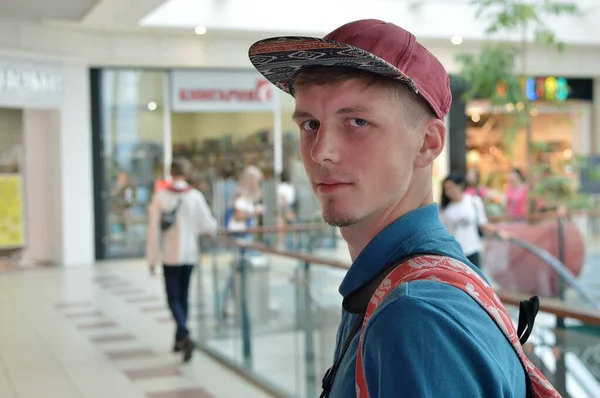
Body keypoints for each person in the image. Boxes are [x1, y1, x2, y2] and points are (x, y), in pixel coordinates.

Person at [249, 19, 534, 397]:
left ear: (427, 144)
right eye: (311, 124)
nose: (321, 152)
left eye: (357, 121)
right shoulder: (390, 284)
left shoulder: (416, 316)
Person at [146, 158, 218, 362]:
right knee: (183, 296)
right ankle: (179, 339)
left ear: (170, 173)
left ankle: (184, 335)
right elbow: (208, 225)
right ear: (187, 173)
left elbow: (153, 232)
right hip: (189, 254)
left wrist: (151, 259)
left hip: (169, 256)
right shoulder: (195, 196)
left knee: (173, 298)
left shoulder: (160, 197)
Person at [440, 173, 506, 269]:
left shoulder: (473, 201)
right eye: (446, 189)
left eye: (451, 188)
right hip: (454, 253)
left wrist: (498, 232)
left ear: (460, 186)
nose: (448, 192)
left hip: (473, 249)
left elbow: (482, 224)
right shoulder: (445, 210)